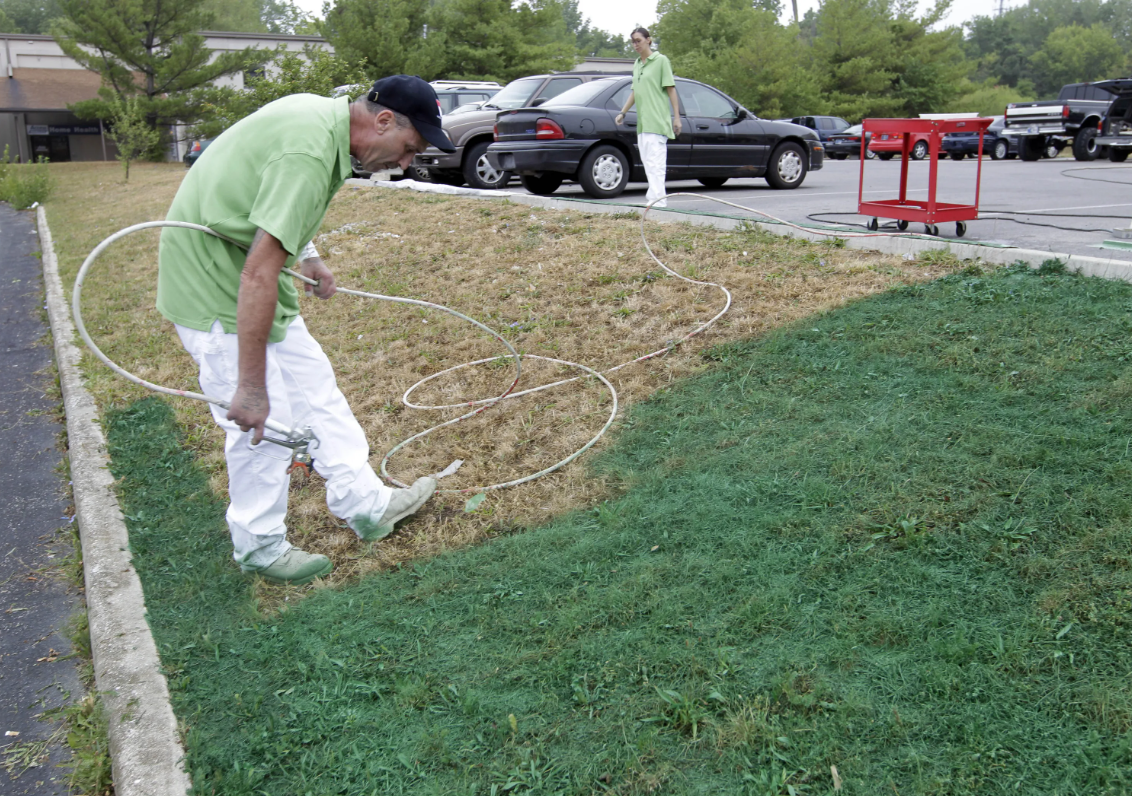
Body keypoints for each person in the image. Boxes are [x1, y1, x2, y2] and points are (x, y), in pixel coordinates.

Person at [156, 75, 457, 585]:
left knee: (316, 389)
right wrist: (250, 387)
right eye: (409, 149)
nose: (406, 164)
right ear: (384, 121)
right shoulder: (312, 153)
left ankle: (365, 504)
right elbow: (259, 273)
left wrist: (310, 254)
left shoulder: (328, 123)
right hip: (217, 283)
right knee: (265, 425)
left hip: (243, 264)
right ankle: (260, 545)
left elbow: (273, 198)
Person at [614, 27, 682, 208]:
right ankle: (653, 201)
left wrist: (677, 117)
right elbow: (636, 92)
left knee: (656, 163)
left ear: (648, 40)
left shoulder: (661, 61)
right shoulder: (637, 64)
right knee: (648, 164)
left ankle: (659, 203)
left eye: (639, 40)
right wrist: (623, 112)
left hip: (658, 122)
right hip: (643, 124)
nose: (636, 44)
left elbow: (671, 89)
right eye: (633, 41)